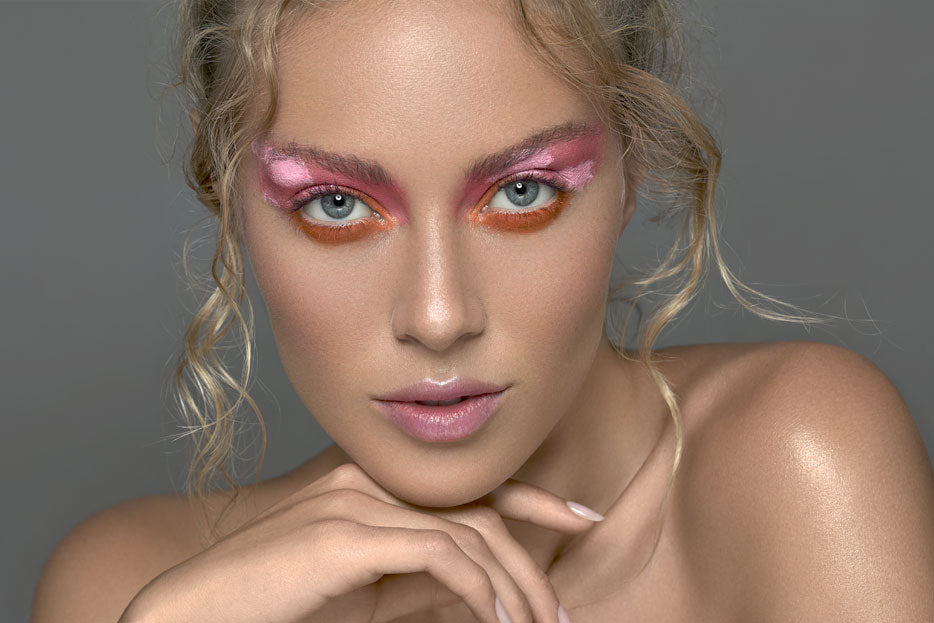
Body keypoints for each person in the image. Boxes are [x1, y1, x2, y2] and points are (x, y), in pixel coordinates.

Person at [31, 0, 933, 621]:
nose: (436, 314)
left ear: (634, 171)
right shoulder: (138, 583)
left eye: (524, 191)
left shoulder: (796, 461)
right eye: (337, 203)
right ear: (228, 198)